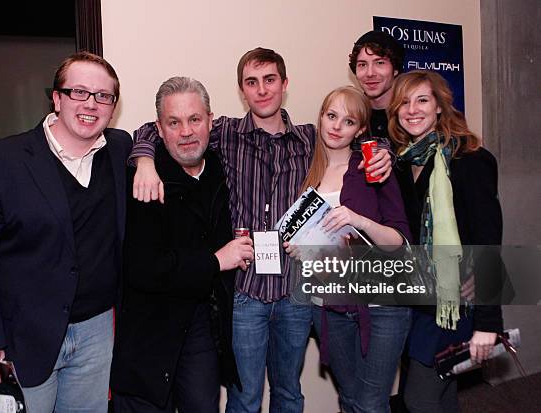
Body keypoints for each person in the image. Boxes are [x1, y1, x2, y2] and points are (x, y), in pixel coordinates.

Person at [130, 48, 392, 412]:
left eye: (270, 80)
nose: (262, 89)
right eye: (252, 82)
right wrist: (143, 160)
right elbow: (154, 128)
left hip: (294, 292)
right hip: (244, 292)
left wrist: (381, 150)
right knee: (245, 395)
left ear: (284, 85)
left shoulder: (309, 139)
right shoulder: (225, 133)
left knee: (288, 392)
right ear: (242, 91)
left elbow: (351, 132)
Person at [0, 51, 132, 412]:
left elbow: (155, 136)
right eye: (78, 92)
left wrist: (146, 163)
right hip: (20, 337)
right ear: (57, 98)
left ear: (112, 107)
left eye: (103, 96)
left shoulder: (120, 149)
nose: (91, 103)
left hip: (96, 333)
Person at [110, 77, 252, 413]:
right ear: (159, 128)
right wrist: (216, 260)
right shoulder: (143, 180)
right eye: (174, 122)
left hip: (201, 324)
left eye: (194, 119)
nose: (186, 131)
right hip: (148, 331)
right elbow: (143, 268)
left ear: (210, 121)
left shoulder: (223, 168)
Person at [285, 86, 411, 412]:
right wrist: (302, 250)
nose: (337, 126)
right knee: (350, 398)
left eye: (349, 121)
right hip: (328, 303)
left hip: (381, 302)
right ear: (321, 118)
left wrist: (360, 221)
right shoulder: (307, 170)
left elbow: (398, 241)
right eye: (331, 116)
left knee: (370, 404)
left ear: (361, 129)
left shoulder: (372, 168)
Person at [388, 70, 504, 412]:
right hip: (418, 301)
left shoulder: (469, 160)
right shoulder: (403, 162)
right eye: (403, 102)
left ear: (440, 106)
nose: (412, 109)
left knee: (418, 398)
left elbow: (488, 243)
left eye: (422, 100)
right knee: (443, 392)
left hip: (455, 304)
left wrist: (487, 323)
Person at [349, 30, 404, 141]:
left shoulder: (412, 116)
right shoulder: (349, 115)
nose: (370, 73)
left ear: (395, 69)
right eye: (362, 64)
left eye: (379, 63)